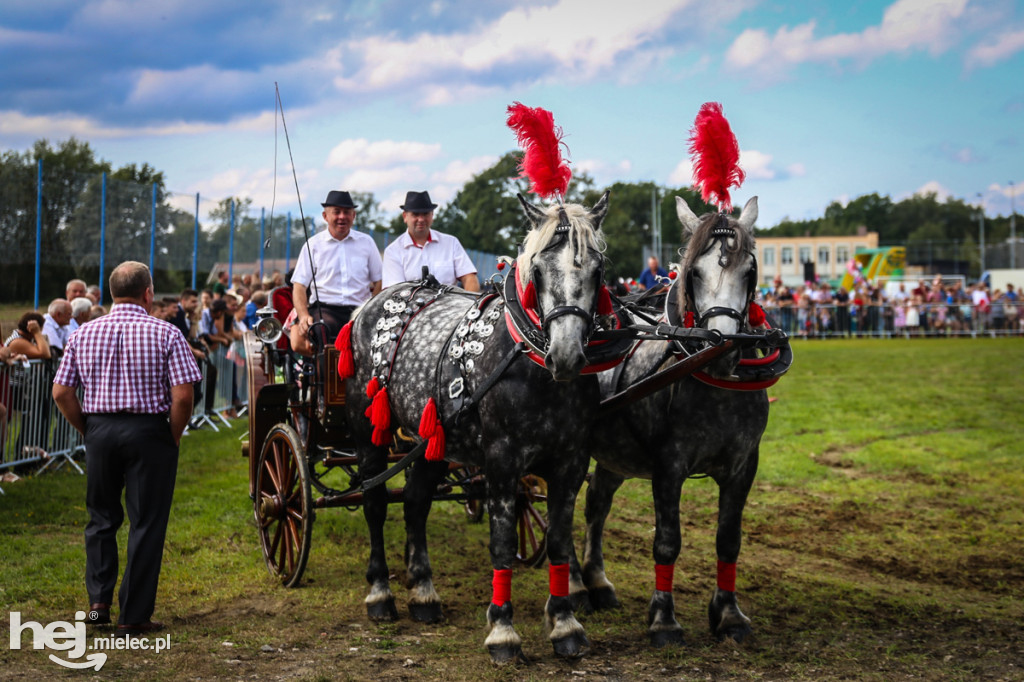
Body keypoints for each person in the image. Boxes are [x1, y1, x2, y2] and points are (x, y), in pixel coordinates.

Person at [51, 261, 201, 638]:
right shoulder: (166, 333)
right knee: (146, 522)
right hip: (149, 431)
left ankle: (99, 605)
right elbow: (183, 395)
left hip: (100, 428)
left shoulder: (83, 333)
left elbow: (61, 392)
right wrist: (174, 433)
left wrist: (88, 428)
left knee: (101, 518)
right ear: (148, 293)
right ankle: (133, 614)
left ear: (112, 292)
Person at [291, 190, 383, 345]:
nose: (342, 217)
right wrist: (303, 316)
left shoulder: (367, 243)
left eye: (347, 212)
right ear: (325, 216)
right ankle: (325, 370)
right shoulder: (313, 245)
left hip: (360, 310)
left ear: (353, 216)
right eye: (337, 212)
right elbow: (299, 286)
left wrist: (370, 308)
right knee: (322, 328)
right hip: (325, 310)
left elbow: (380, 281)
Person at [382, 190, 480, 291]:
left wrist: (472, 305)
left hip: (452, 305)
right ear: (405, 216)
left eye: (425, 214)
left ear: (432, 215)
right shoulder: (393, 251)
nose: (421, 219)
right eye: (415, 214)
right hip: (411, 306)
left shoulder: (451, 243)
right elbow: (395, 292)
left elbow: (469, 278)